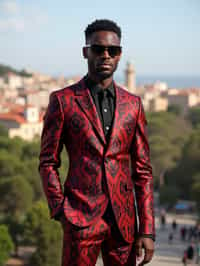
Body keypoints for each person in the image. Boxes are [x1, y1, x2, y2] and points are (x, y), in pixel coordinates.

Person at [39, 19, 155, 266]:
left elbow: (143, 171)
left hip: (123, 223)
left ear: (119, 55)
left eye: (112, 50)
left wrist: (146, 229)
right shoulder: (63, 101)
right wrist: (60, 209)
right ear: (85, 52)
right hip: (78, 218)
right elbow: (48, 162)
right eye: (98, 49)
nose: (105, 55)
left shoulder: (133, 104)